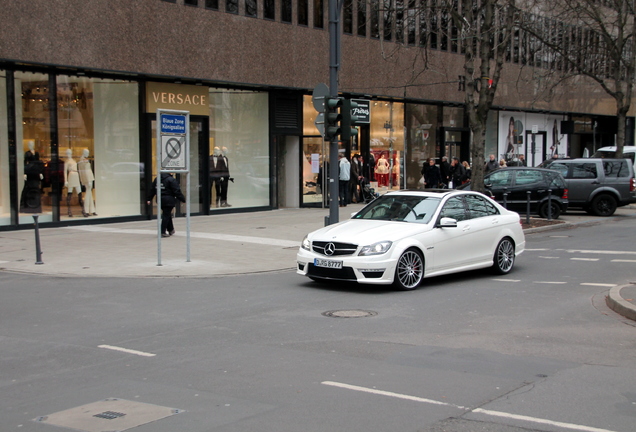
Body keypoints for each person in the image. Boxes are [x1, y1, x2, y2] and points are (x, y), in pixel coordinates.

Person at [146, 172, 186, 237]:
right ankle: (162, 231)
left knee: (167, 214)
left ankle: (171, 229)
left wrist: (149, 199)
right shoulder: (171, 180)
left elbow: (152, 189)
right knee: (166, 215)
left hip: (160, 200)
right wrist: (182, 199)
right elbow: (176, 191)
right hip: (169, 200)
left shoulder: (157, 179)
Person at [64, 148, 84, 217]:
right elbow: (65, 171)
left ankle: (83, 210)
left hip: (76, 175)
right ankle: (69, 210)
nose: (69, 154)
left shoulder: (74, 160)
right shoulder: (67, 162)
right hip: (71, 175)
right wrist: (65, 180)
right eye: (68, 153)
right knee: (70, 193)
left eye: (70, 152)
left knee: (79, 193)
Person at [78, 149, 97, 217]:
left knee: (89, 194)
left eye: (88, 153)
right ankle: (86, 210)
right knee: (88, 193)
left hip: (90, 177)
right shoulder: (82, 160)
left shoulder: (84, 159)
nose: (87, 154)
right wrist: (86, 180)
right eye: (86, 152)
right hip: (87, 178)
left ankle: (91, 210)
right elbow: (83, 171)